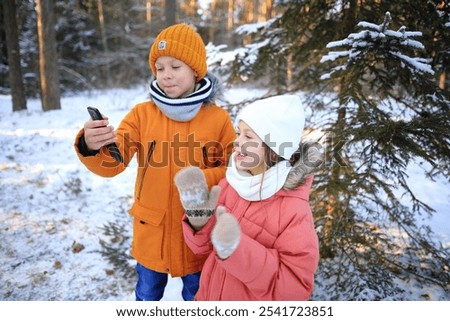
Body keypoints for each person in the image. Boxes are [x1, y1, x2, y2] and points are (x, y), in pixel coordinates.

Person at [74, 23, 236, 301]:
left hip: (198, 231)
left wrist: (200, 180)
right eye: (159, 68)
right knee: (146, 296)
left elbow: (234, 169)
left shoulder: (217, 118)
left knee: (198, 297)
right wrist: (91, 144)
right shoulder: (141, 115)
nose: (166, 75)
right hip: (153, 231)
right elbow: (114, 161)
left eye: (175, 66)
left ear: (195, 70)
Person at [174, 94, 321, 300]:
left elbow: (293, 290)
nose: (238, 142)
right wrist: (199, 223)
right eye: (238, 133)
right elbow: (204, 249)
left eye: (249, 137)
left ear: (275, 148)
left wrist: (236, 249)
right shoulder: (232, 183)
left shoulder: (293, 211)